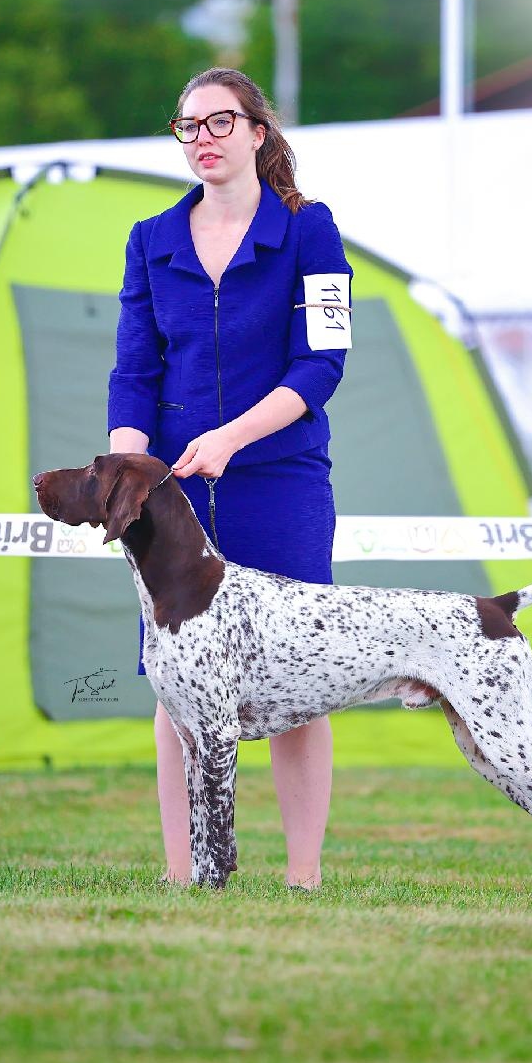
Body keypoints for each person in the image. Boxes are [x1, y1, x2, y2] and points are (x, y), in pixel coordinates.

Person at [107, 67, 352, 889]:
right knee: (175, 688)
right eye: (188, 126)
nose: (203, 138)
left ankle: (303, 877)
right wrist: (128, 471)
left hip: (280, 481)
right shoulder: (149, 239)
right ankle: (181, 876)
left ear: (256, 131)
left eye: (219, 121)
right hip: (174, 493)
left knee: (300, 683)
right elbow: (134, 372)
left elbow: (321, 364)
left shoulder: (310, 229)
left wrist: (232, 438)